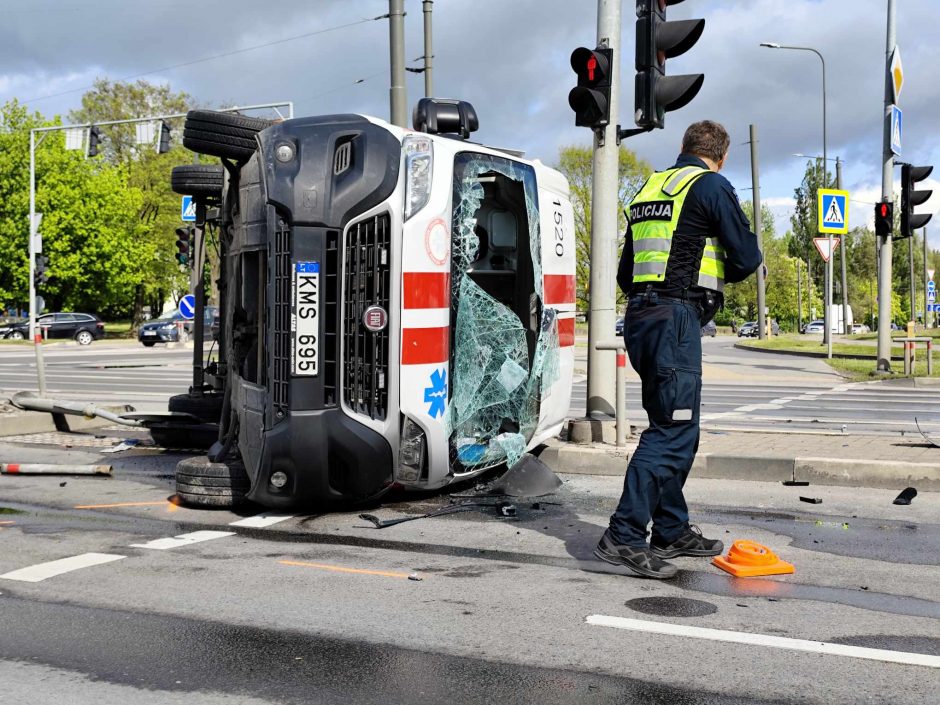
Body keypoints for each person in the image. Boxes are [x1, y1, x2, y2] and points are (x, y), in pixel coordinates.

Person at [595, 120, 762, 579]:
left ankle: (669, 527)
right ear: (721, 155)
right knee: (674, 431)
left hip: (641, 317)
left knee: (668, 424)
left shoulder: (650, 187)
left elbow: (627, 272)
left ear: (683, 147)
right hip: (675, 320)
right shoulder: (710, 185)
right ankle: (623, 535)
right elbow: (747, 256)